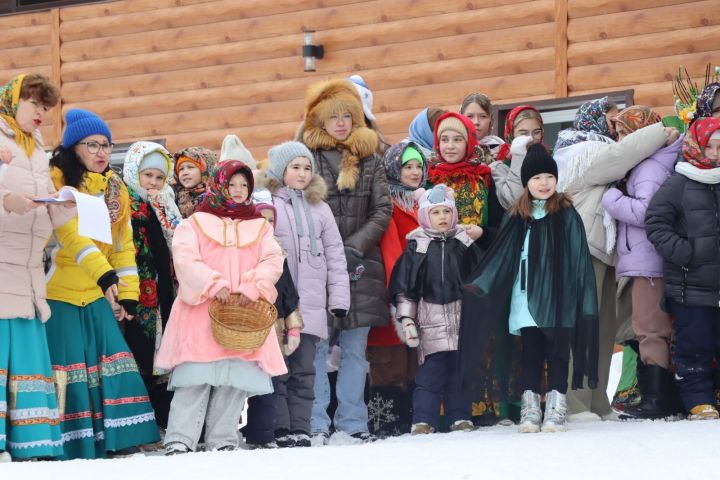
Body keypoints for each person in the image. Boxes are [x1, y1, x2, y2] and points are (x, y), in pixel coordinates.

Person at [551, 99, 679, 421]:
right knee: (583, 328)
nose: (614, 127)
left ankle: (597, 402)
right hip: (580, 249)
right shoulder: (582, 152)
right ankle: (577, 403)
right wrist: (660, 131)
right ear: (592, 121)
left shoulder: (599, 150)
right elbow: (621, 156)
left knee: (603, 329)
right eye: (610, 121)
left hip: (602, 252)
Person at [460, 144, 599, 433]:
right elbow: (502, 252)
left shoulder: (566, 214)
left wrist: (579, 296)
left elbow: (578, 257)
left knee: (558, 353)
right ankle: (531, 409)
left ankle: (557, 408)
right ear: (527, 183)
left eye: (549, 177)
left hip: (559, 297)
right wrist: (481, 281)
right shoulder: (518, 216)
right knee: (531, 354)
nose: (544, 183)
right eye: (537, 178)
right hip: (524, 299)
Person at [46, 109, 160, 459]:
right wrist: (104, 276)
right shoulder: (56, 181)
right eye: (92, 144)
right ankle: (70, 441)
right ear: (72, 147)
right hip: (59, 290)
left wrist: (128, 295)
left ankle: (121, 437)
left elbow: (123, 245)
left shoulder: (115, 189)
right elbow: (69, 236)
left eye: (107, 146)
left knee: (115, 360)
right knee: (66, 370)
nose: (101, 152)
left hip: (98, 290)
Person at [156, 160, 286, 454]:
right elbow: (185, 258)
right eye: (232, 185)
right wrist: (214, 285)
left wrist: (252, 288)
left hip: (243, 313)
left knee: (234, 378)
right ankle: (180, 438)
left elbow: (273, 260)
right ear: (218, 185)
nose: (238, 191)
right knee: (194, 377)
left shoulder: (260, 227)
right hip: (201, 311)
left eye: (244, 186)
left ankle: (223, 439)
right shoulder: (194, 224)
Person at [299, 78, 392, 444]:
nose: (341, 123)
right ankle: (316, 422)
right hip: (317, 267)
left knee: (354, 348)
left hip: (361, 264)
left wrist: (353, 246)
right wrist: (327, 251)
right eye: (333, 116)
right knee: (317, 347)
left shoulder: (372, 160)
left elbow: (381, 211)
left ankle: (352, 422)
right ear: (320, 121)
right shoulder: (306, 158)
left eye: (347, 116)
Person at [257, 141, 350, 447]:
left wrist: (338, 300)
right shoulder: (267, 204)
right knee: (278, 371)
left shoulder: (320, 209)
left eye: (307, 167)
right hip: (278, 307)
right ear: (280, 170)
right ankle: (280, 427)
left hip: (310, 306)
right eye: (295, 167)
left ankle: (301, 426)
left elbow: (336, 256)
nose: (302, 173)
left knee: (304, 371)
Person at [0, 73, 71, 462]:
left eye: (46, 108)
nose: (41, 113)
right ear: (13, 101)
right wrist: (7, 200)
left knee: (26, 355)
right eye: (35, 105)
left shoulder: (38, 147)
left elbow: (42, 208)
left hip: (27, 267)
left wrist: (61, 207)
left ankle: (32, 442)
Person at [600, 107, 683, 420]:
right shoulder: (653, 164)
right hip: (648, 259)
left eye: (625, 133)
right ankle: (661, 395)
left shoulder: (647, 168)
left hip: (648, 262)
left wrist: (611, 199)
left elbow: (647, 213)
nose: (621, 141)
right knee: (654, 329)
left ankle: (655, 399)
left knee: (650, 330)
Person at [389, 184, 483, 434]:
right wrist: (407, 320)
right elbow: (405, 287)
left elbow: (481, 279)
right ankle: (423, 419)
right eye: (435, 212)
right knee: (430, 375)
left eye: (446, 212)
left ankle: (460, 417)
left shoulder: (463, 243)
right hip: (430, 321)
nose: (442, 217)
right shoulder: (417, 246)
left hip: (461, 319)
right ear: (425, 216)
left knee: (459, 373)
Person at [645, 117, 720, 420]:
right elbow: (655, 223)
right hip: (691, 286)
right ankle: (697, 399)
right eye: (711, 146)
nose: (715, 153)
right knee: (695, 344)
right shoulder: (679, 182)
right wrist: (684, 253)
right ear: (697, 146)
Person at [367, 140, 426, 436]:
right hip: (395, 294)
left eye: (418, 166)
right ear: (393, 169)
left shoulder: (424, 203)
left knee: (414, 361)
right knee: (389, 361)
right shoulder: (389, 205)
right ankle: (385, 422)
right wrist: (398, 295)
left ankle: (410, 418)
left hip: (421, 295)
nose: (414, 172)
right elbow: (391, 254)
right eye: (407, 166)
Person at [122, 141, 183, 429]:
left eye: (159, 177)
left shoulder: (165, 201)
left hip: (162, 292)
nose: (154, 183)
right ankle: (140, 421)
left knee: (162, 355)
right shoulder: (124, 202)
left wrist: (164, 207)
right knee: (139, 350)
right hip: (134, 287)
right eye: (148, 176)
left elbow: (178, 239)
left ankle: (164, 419)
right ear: (134, 173)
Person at [241, 198, 302, 450]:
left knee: (269, 382)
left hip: (273, 327)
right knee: (236, 381)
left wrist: (294, 326)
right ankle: (223, 431)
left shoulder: (278, 253)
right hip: (243, 323)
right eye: (261, 219)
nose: (266, 224)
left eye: (271, 220)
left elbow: (288, 292)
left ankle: (262, 433)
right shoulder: (241, 251)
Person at [491, 105, 545, 210]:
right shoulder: (498, 167)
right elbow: (512, 203)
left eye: (536, 132)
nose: (531, 138)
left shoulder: (551, 160)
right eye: (523, 133)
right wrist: (519, 156)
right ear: (511, 135)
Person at [460, 92, 505, 163]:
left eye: (483, 116)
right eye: (470, 116)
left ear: (491, 120)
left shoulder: (503, 150)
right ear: (461, 119)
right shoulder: (453, 149)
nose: (476, 122)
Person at [172, 146, 217, 218]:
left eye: (190, 167)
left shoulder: (215, 198)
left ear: (205, 171)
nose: (185, 173)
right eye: (181, 169)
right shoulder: (173, 195)